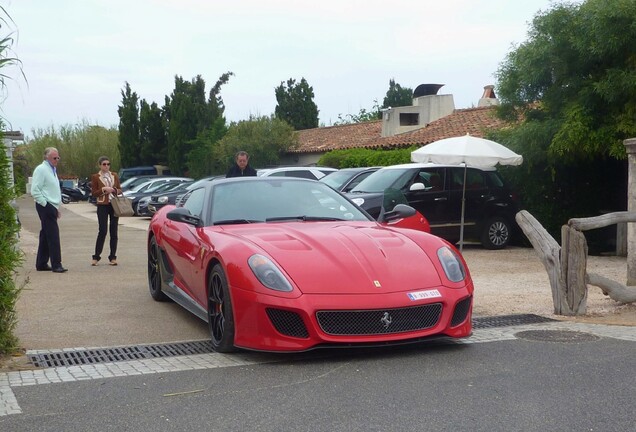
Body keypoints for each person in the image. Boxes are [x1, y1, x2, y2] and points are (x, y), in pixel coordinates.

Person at [31, 147, 67, 273]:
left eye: (58, 157)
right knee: (53, 235)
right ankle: (56, 264)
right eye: (54, 158)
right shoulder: (41, 169)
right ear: (47, 157)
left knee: (46, 234)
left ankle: (41, 263)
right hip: (45, 205)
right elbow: (35, 190)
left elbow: (51, 189)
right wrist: (45, 204)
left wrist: (56, 207)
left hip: (51, 205)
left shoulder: (52, 170)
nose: (57, 160)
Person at [90, 156, 122, 266]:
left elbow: (120, 189)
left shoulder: (114, 175)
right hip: (102, 205)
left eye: (108, 164)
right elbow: (94, 193)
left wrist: (114, 190)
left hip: (114, 204)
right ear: (100, 165)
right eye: (104, 164)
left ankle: (113, 257)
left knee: (114, 231)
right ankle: (96, 257)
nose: (106, 166)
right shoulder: (95, 177)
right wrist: (104, 189)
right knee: (103, 230)